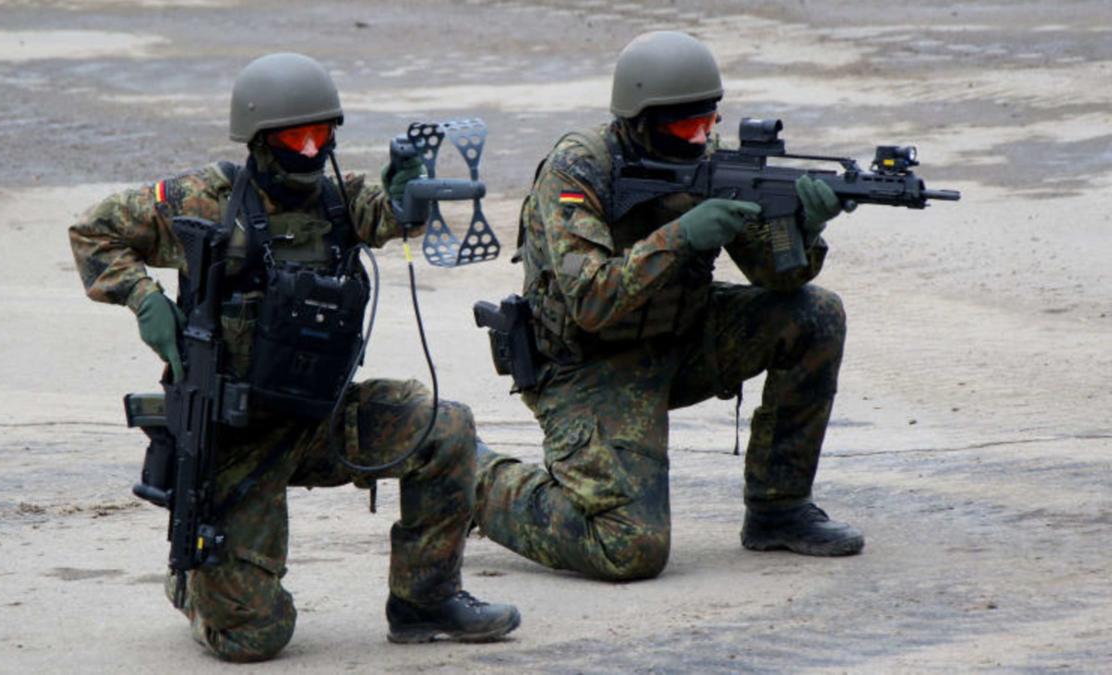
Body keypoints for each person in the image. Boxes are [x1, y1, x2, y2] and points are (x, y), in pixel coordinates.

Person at [69, 52, 519, 662]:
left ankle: (426, 602)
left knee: (444, 426)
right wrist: (141, 296)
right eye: (293, 137)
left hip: (320, 418)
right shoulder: (206, 199)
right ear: (259, 140)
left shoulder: (335, 200)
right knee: (253, 638)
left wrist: (406, 199)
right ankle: (195, 588)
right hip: (238, 436)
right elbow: (93, 231)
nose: (309, 150)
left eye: (320, 134)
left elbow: (385, 215)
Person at [473, 31, 864, 582]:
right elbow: (590, 301)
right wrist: (682, 236)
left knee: (813, 314)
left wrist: (804, 224)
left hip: (679, 340)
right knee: (628, 549)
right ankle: (470, 477)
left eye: (709, 121)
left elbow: (777, 279)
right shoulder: (578, 169)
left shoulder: (710, 162)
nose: (701, 137)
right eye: (684, 127)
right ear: (641, 121)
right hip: (587, 366)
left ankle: (779, 509)